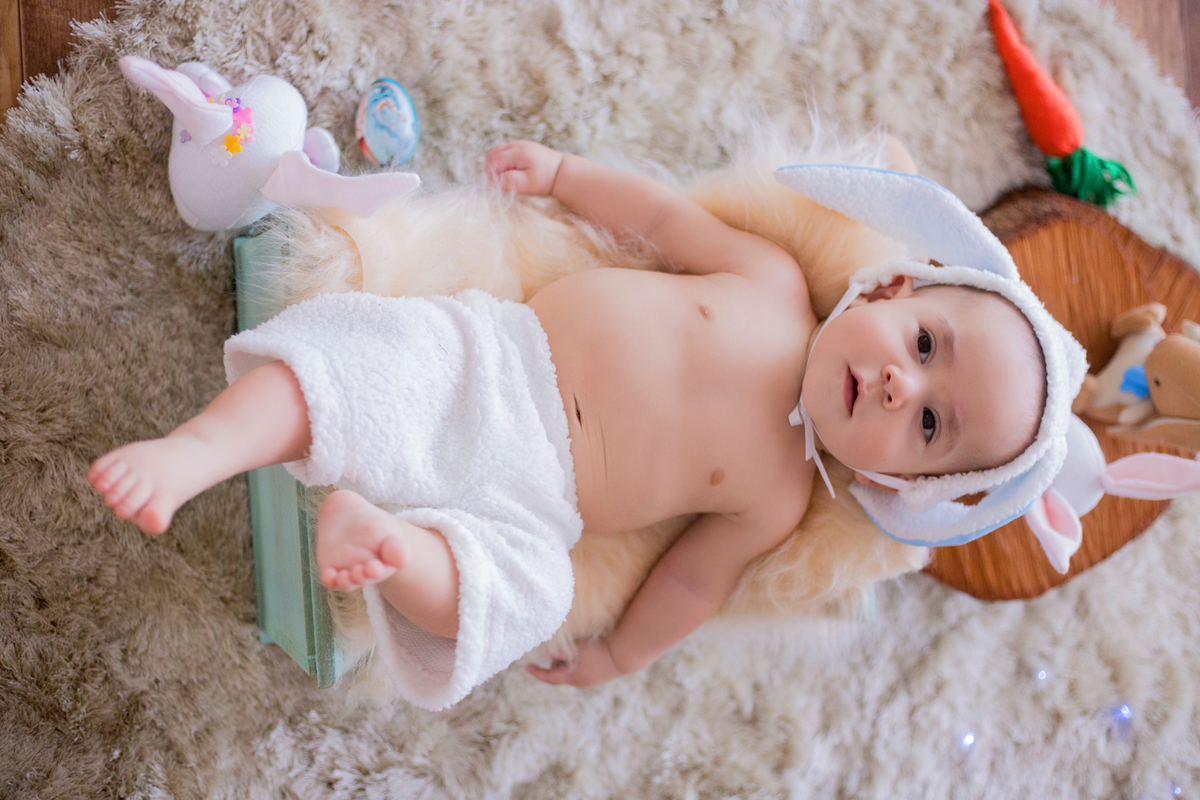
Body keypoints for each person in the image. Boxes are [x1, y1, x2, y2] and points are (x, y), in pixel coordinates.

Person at [86, 139, 1052, 708]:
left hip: (539, 498)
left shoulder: (780, 500)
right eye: (925, 346)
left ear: (895, 486)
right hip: (497, 360)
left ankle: (393, 547)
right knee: (351, 360)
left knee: (531, 597)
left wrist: (617, 656)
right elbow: (663, 218)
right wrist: (563, 173)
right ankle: (195, 451)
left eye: (930, 427)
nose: (898, 388)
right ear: (889, 288)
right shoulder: (772, 280)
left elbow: (689, 583)